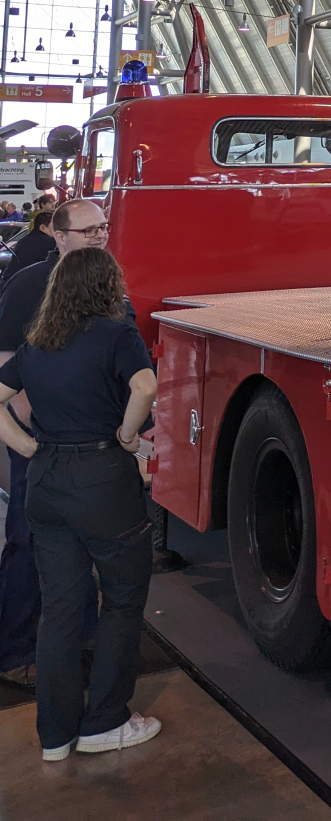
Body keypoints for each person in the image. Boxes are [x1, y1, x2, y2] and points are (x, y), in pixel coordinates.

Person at [0, 248, 159, 760]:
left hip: (45, 482)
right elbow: (145, 385)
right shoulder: (117, 336)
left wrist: (25, 446)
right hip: (102, 480)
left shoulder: (36, 344)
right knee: (120, 600)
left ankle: (56, 736)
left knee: (61, 610)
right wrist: (130, 436)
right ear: (108, 287)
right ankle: (104, 723)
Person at [0, 200, 111, 688]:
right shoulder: (28, 284)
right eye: (89, 230)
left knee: (82, 541)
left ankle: (80, 640)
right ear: (58, 235)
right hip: (41, 441)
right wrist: (31, 438)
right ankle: (17, 652)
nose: (99, 236)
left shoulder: (105, 284)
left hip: (90, 442)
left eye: (104, 228)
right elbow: (8, 364)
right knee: (27, 541)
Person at [1, 210, 57, 284]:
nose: (57, 231)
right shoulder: (50, 242)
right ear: (43, 227)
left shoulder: (23, 240)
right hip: (29, 285)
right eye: (55, 227)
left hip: (11, 283)